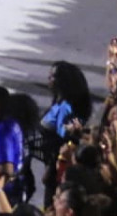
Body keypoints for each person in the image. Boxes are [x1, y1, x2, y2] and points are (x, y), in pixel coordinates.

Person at [40, 62, 93, 207]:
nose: (49, 79)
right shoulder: (59, 101)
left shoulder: (65, 108)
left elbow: (62, 140)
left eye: (53, 76)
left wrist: (51, 169)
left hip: (57, 166)